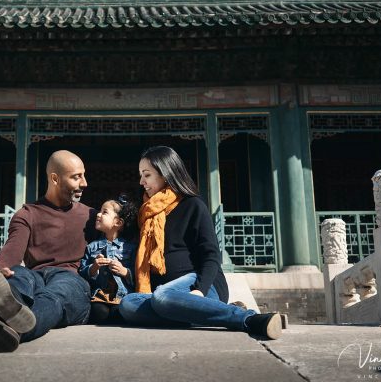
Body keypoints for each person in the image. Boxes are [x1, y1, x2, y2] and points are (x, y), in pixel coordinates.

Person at [0, 150, 96, 352]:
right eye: (76, 177)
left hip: (72, 281)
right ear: (55, 179)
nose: (84, 183)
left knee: (54, 294)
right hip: (36, 277)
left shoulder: (91, 216)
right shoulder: (27, 214)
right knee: (19, 275)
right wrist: (2, 272)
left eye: (83, 175)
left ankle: (8, 326)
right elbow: (12, 252)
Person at [119, 145, 282, 340]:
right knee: (128, 304)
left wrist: (199, 290)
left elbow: (211, 255)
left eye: (147, 175)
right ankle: (211, 313)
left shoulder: (192, 205)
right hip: (169, 294)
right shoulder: (145, 215)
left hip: (201, 284)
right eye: (141, 175)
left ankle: (249, 319)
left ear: (165, 173)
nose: (141, 182)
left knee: (163, 298)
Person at [79, 194, 138, 324]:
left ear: (118, 222)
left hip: (123, 297)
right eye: (99, 211)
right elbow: (82, 273)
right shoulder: (92, 247)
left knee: (122, 311)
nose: (98, 215)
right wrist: (94, 267)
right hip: (101, 296)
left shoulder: (131, 247)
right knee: (99, 313)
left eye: (104, 212)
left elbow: (140, 274)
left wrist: (125, 272)